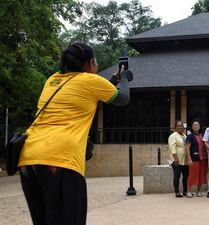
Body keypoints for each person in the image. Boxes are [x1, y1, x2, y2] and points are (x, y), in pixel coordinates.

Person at [18, 43, 131, 225]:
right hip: (61, 159)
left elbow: (85, 93)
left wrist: (112, 79)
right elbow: (123, 98)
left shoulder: (52, 80)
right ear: (90, 62)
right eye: (95, 60)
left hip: (29, 159)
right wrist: (125, 78)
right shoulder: (91, 81)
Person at [185, 120, 208, 197]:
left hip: (203, 159)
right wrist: (189, 159)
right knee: (192, 175)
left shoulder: (202, 135)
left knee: (201, 175)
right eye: (194, 125)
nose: (196, 126)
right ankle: (188, 191)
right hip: (194, 159)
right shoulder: (190, 136)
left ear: (199, 126)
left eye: (197, 125)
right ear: (192, 127)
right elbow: (187, 148)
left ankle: (199, 191)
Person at [168, 120, 188, 198]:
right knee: (177, 176)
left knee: (185, 176)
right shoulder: (173, 136)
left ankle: (185, 191)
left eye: (181, 126)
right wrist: (176, 158)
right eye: (178, 126)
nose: (180, 127)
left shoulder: (184, 135)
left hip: (184, 160)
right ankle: (177, 192)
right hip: (176, 160)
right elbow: (172, 148)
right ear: (175, 127)